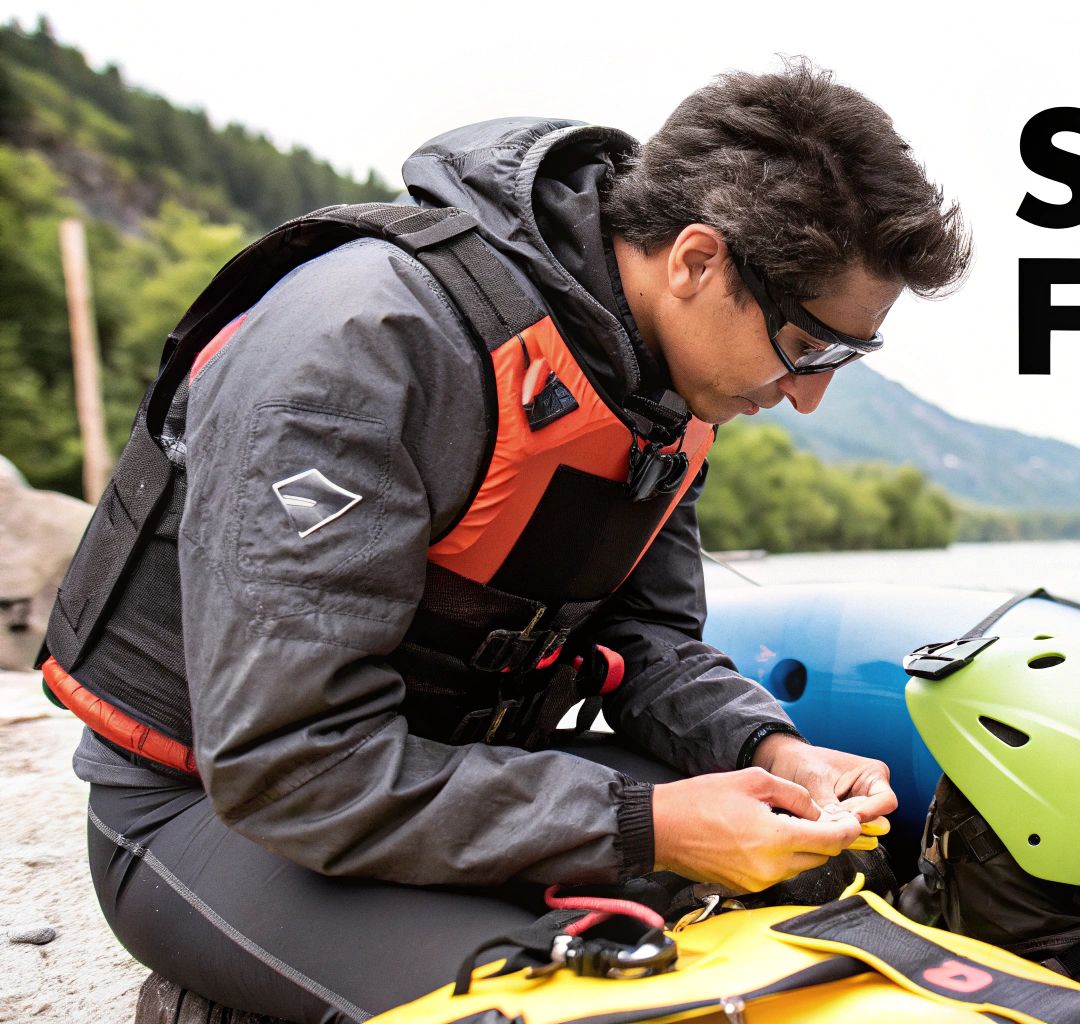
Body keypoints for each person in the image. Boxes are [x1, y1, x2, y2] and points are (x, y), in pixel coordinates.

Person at [43, 63, 970, 1024]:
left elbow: (646, 648)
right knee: (598, 1005)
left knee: (831, 868)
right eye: (810, 346)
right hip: (221, 811)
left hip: (455, 776)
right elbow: (294, 766)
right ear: (698, 260)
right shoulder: (359, 347)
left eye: (846, 358)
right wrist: (645, 827)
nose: (812, 395)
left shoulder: (660, 387)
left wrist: (772, 750)